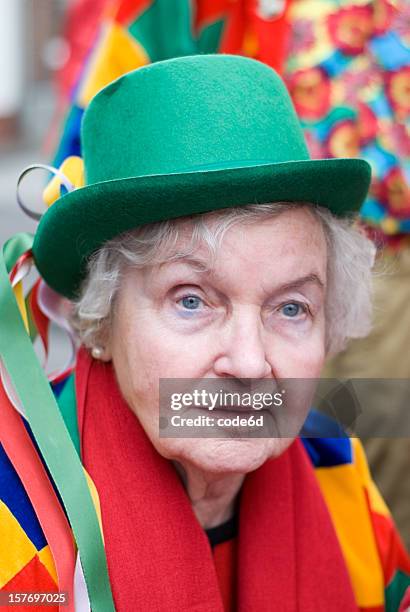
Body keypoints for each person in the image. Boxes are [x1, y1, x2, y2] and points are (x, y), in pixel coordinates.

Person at [0, 54, 409, 611]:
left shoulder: (336, 462)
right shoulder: (13, 508)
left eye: (291, 308)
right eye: (191, 300)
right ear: (101, 322)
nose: (248, 364)